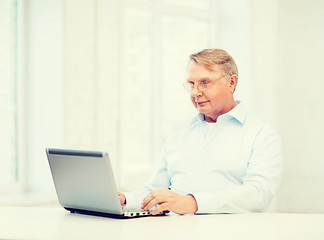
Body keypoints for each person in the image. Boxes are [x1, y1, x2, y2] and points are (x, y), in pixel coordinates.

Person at [119, 48, 283, 215]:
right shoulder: (177, 137)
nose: (196, 92)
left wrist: (194, 203)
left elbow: (258, 195)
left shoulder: (262, 135)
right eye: (191, 84)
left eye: (205, 83)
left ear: (231, 83)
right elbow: (154, 190)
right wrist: (125, 199)